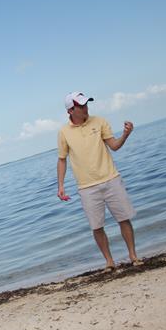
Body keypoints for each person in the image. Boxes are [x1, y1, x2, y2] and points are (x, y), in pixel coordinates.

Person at [57, 91, 142, 271]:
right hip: (87, 187)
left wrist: (126, 134)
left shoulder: (99, 121)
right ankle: (109, 262)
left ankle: (133, 256)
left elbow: (114, 146)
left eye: (86, 103)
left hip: (111, 178)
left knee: (124, 219)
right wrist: (61, 185)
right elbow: (62, 159)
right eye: (81, 105)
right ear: (71, 110)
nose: (86, 107)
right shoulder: (64, 132)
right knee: (97, 227)